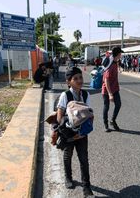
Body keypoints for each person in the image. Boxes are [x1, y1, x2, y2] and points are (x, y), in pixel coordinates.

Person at [55, 67, 94, 197]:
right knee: (68, 155)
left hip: (82, 134)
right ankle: (68, 177)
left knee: (84, 159)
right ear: (68, 82)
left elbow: (89, 114)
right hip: (69, 134)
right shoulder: (65, 95)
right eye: (75, 78)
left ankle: (86, 187)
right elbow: (60, 114)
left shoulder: (86, 95)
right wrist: (65, 133)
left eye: (80, 77)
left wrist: (85, 131)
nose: (79, 80)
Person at [102, 47, 124, 132]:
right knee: (106, 107)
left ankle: (113, 120)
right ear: (118, 54)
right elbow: (106, 80)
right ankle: (106, 125)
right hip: (107, 90)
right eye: (120, 54)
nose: (121, 55)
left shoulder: (115, 62)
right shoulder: (110, 65)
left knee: (118, 104)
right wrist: (110, 94)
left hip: (115, 89)